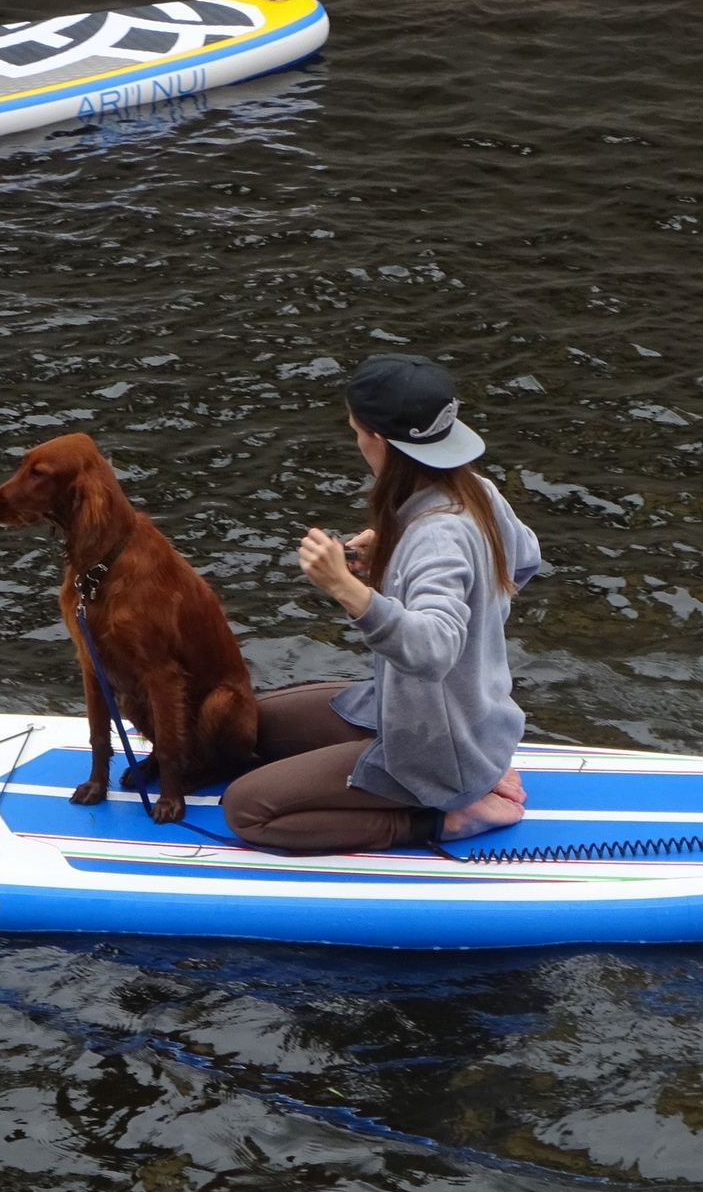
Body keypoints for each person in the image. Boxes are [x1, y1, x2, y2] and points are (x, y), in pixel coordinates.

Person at [223, 353, 542, 855]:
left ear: (378, 440)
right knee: (250, 728)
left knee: (248, 810)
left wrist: (347, 589)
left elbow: (435, 649)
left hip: (437, 747)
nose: (356, 441)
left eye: (356, 430)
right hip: (457, 716)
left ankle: (446, 817)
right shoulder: (475, 489)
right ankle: (480, 763)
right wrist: (392, 567)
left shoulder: (436, 533)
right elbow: (523, 561)